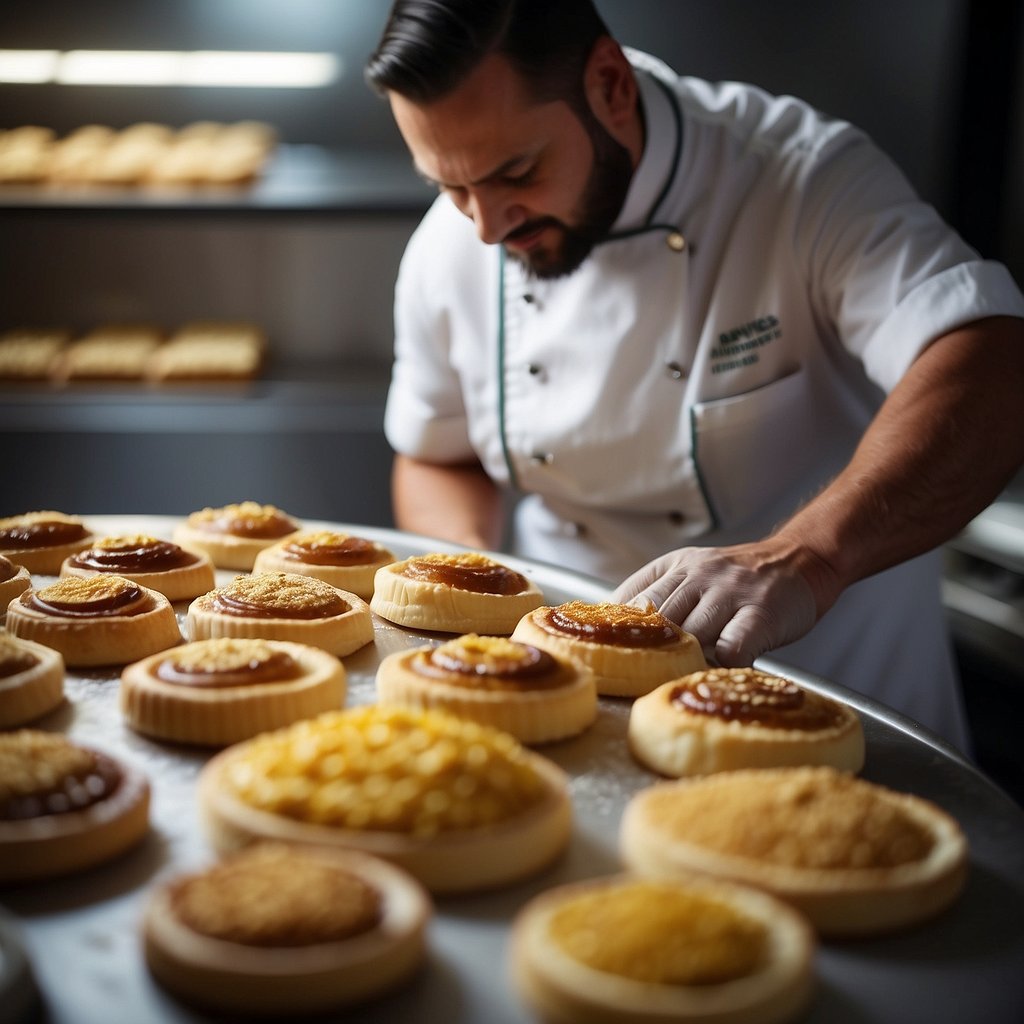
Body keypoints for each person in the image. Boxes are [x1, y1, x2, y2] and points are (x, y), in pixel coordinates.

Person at [365, 0, 1024, 752]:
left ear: (610, 85)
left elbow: (992, 361)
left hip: (834, 701)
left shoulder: (796, 181)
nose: (486, 226)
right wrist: (470, 582)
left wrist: (806, 558)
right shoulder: (448, 249)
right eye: (449, 187)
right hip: (577, 709)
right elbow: (436, 452)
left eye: (518, 170)